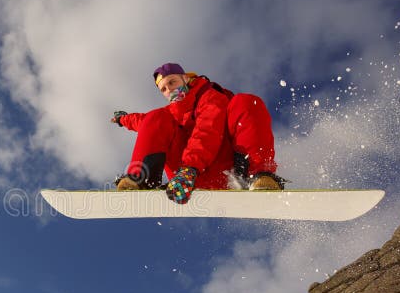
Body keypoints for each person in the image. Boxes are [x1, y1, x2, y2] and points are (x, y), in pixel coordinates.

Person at [111, 62, 284, 204]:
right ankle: (140, 180)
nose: (169, 90)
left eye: (172, 82)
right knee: (155, 117)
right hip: (182, 180)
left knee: (246, 102)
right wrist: (123, 119)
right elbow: (143, 122)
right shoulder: (168, 114)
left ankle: (259, 176)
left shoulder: (209, 96)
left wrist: (189, 170)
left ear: (185, 79)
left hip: (220, 171)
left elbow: (208, 129)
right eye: (163, 89)